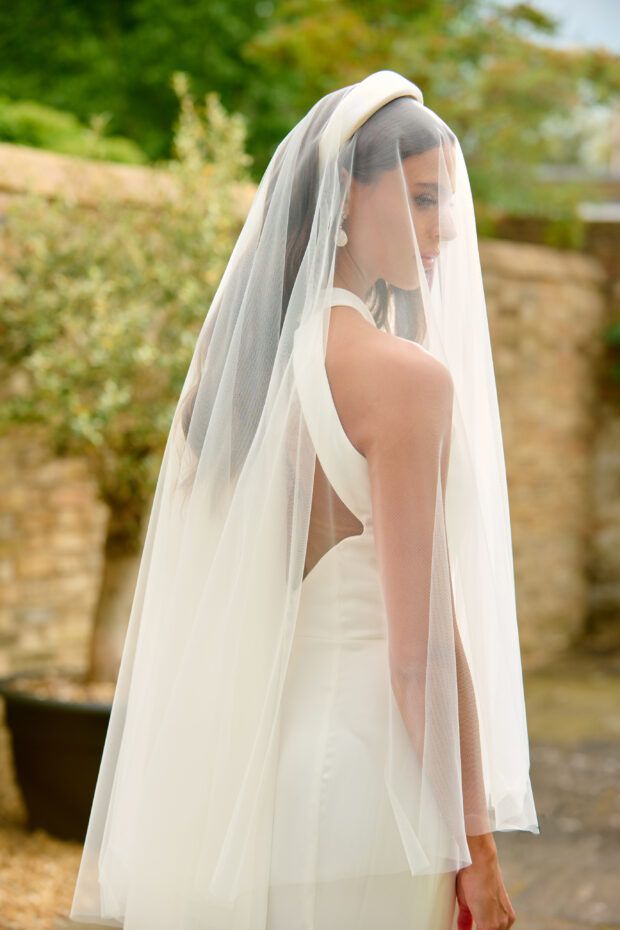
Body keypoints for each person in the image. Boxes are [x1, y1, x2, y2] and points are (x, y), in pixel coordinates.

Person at [69, 69, 539, 930]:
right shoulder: (403, 380)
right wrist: (479, 848)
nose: (447, 229)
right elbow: (421, 653)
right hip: (373, 795)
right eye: (423, 198)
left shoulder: (240, 372)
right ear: (346, 197)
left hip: (256, 786)